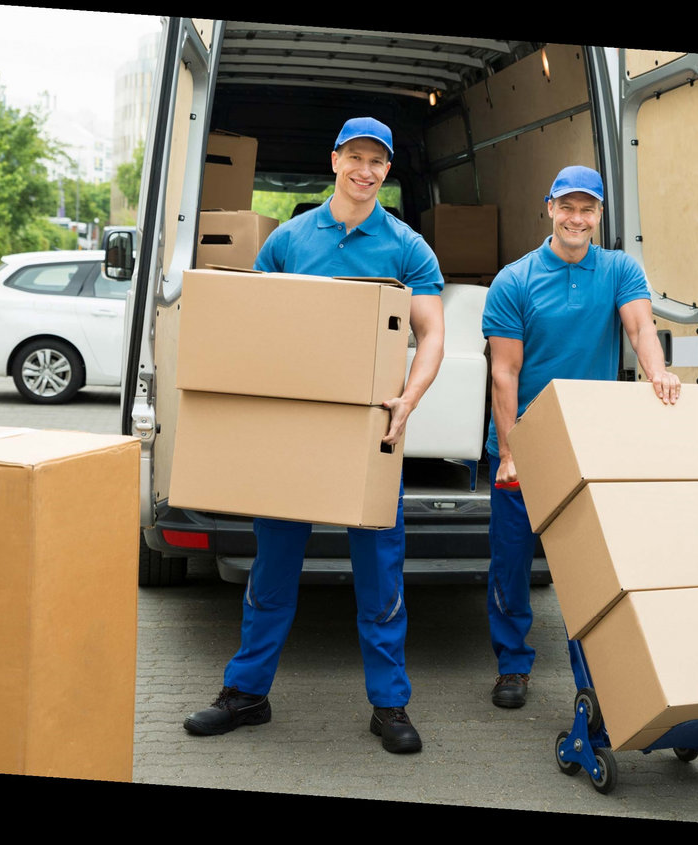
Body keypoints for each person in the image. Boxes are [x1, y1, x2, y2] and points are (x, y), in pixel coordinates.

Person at [183, 117, 445, 753]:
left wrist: (409, 399)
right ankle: (246, 694)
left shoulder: (408, 248)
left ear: (387, 171)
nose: (366, 171)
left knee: (380, 576)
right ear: (335, 160)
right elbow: (259, 329)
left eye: (377, 162)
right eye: (355, 157)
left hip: (370, 432)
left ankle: (390, 706)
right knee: (271, 572)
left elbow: (433, 334)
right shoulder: (289, 241)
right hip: (294, 436)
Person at [481, 165, 680, 708]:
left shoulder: (618, 269)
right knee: (512, 562)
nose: (576, 218)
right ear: (549, 208)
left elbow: (640, 326)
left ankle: (591, 677)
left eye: (586, 209)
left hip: (590, 442)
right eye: (566, 207)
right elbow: (505, 373)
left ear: (598, 216)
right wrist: (511, 449)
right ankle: (513, 665)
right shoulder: (514, 280)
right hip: (527, 441)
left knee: (588, 568)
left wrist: (656, 371)